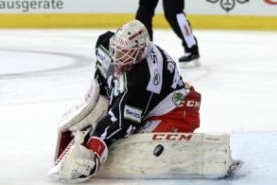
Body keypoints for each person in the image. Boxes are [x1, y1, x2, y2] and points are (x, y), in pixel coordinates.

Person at [47, 20, 201, 182]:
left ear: (140, 53)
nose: (118, 57)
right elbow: (103, 68)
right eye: (117, 50)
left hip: (177, 111)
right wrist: (102, 96)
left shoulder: (143, 78)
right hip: (147, 103)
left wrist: (95, 147)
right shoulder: (106, 44)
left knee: (133, 149)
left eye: (125, 54)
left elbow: (122, 123)